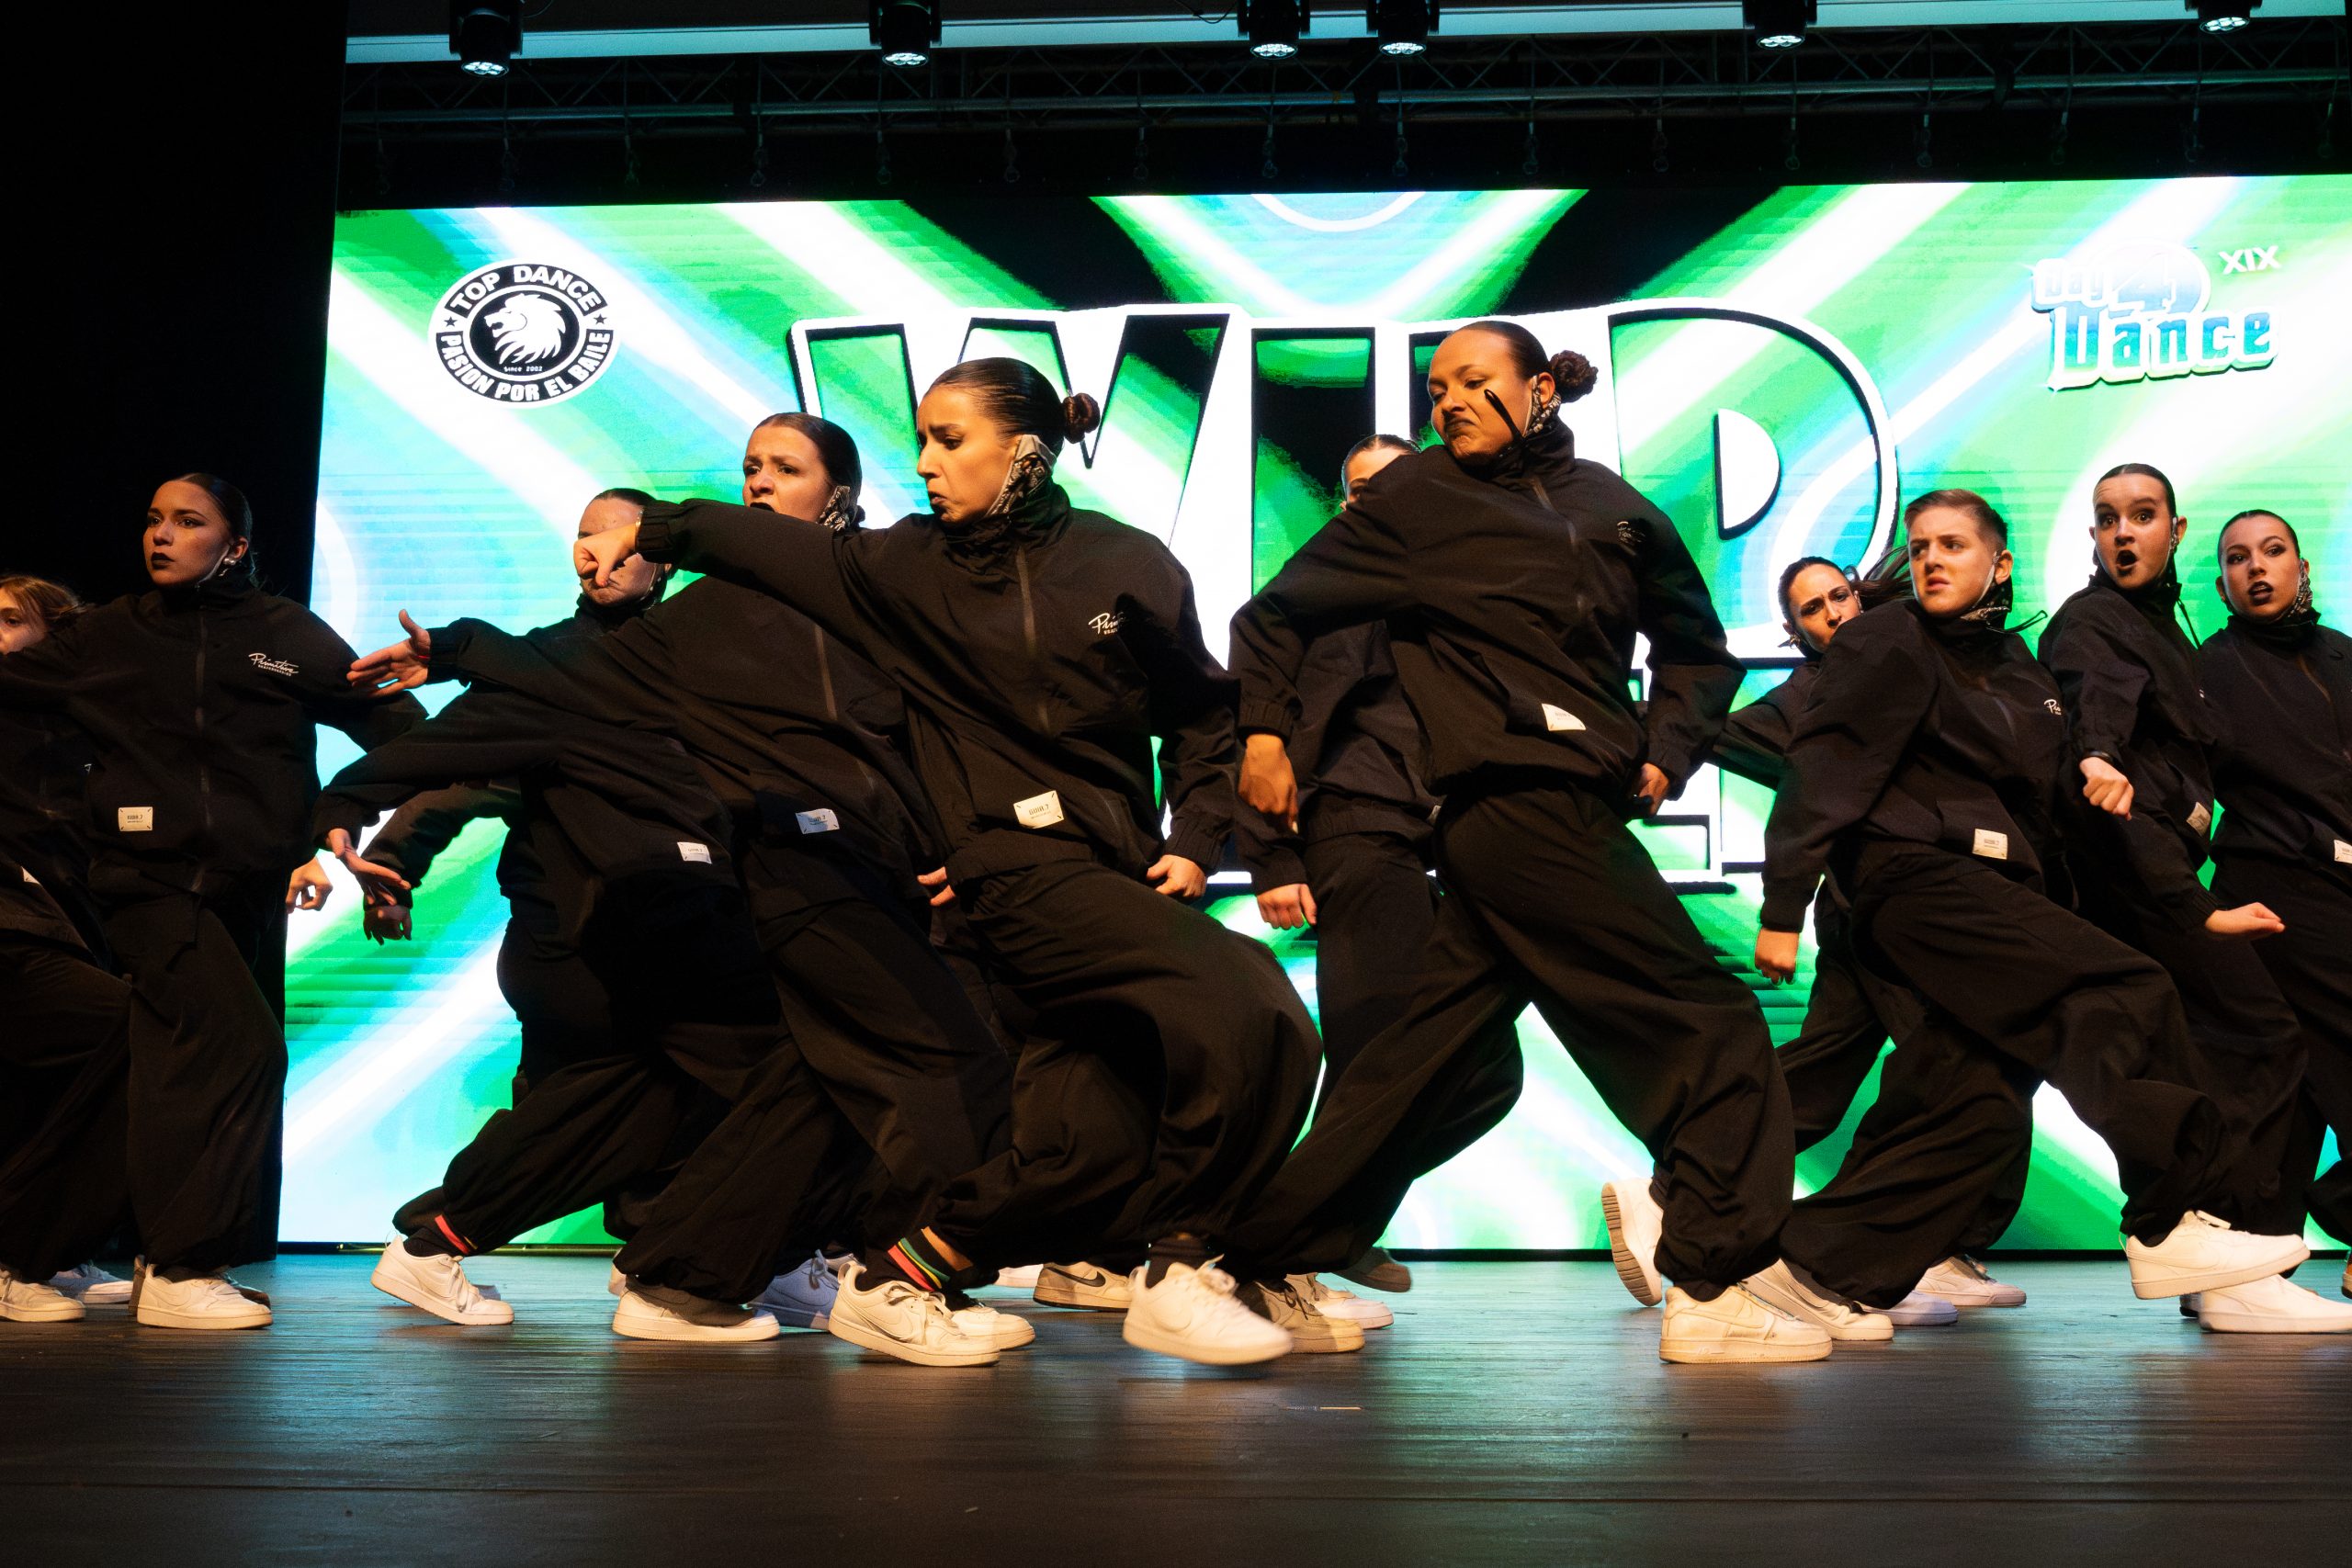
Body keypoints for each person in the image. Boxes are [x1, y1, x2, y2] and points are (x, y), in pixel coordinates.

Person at [572, 358, 1327, 1367]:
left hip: (1113, 869)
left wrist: (1193, 840)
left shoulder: (1126, 562)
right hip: (1009, 870)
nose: (925, 461)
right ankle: (1184, 1265)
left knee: (1084, 1139)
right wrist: (655, 529)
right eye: (921, 439)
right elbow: (761, 545)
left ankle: (902, 1275)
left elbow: (1198, 713)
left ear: (1025, 451)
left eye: (949, 439)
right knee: (1254, 1004)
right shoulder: (901, 568)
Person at [1220, 319, 1826, 1365]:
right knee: (1708, 1024)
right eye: (1436, 388)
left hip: (1558, 809)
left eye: (1472, 381)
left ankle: (1242, 1259)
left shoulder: (1615, 511)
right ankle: (1713, 1281)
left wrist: (1665, 752)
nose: (1448, 401)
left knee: (1419, 1068)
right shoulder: (1416, 499)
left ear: (1539, 388)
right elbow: (1274, 616)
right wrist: (1266, 734)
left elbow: (1696, 650)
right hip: (1513, 806)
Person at [355, 417, 1022, 1356]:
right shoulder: (694, 622)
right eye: (751, 468)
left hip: (777, 897)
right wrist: (389, 770)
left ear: (840, 494)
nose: (759, 483)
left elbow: (920, 738)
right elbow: (494, 735)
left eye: (783, 468)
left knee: (716, 1089)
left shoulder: (870, 593)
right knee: (786, 1080)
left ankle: (713, 1261)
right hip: (643, 918)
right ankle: (742, 1266)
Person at [1757, 487, 2314, 1324]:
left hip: (1994, 889)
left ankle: (1804, 1269)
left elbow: (2060, 805)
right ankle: (2168, 1220)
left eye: (1952, 544)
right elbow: (1825, 768)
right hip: (1916, 879)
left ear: (2000, 562)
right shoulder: (1889, 635)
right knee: (2125, 990)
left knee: (1978, 1102)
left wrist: (2173, 886)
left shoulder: (2018, 669)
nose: (1932, 560)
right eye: (1920, 547)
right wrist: (1782, 906)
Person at [0, 477, 424, 1328]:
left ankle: (23, 1251)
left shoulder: (284, 633)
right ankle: (181, 1266)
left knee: (155, 1062)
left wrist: (350, 828)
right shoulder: (109, 634)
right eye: (153, 519)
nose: (160, 534)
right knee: (241, 1048)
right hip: (149, 885)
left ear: (234, 545)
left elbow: (404, 735)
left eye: (187, 521)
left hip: (247, 894)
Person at [2039, 464, 2338, 1329]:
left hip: (2160, 874)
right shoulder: (2098, 621)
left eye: (2141, 515)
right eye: (2107, 519)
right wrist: (2100, 758)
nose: (2123, 532)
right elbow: (2100, 703)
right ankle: (2225, 1258)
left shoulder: (2163, 628)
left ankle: (2229, 1259)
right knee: (2259, 1035)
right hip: (2139, 879)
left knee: (2226, 1049)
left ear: (2173, 530)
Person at [1703, 558, 2029, 1322]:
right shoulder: (1803, 700)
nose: (1833, 613)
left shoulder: (1911, 652)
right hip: (1875, 909)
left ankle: (1693, 1187)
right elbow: (1718, 738)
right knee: (1957, 1075)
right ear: (1795, 632)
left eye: (1839, 595)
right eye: (1812, 609)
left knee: (1832, 1069)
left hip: (1910, 904)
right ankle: (1899, 1248)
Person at [1233, 432, 1438, 1324]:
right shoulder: (1326, 602)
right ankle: (1281, 1253)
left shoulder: (1434, 595)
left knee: (1456, 1066)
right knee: (1370, 1052)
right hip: (1355, 836)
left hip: (1419, 849)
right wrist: (1274, 858)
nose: (1375, 501)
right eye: (1360, 489)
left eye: (1396, 485)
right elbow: (1263, 732)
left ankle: (1324, 1227)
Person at [2197, 509, 2352, 1319]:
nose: (2256, 567)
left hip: (2342, 888)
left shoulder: (2344, 656)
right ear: (2222, 583)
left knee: (2292, 1078)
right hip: (2274, 885)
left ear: (2301, 565)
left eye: (2271, 551)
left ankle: (2249, 1253)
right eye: (2237, 558)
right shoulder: (2210, 668)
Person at [0, 576, 137, 1321]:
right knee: (131, 1027)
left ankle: (50, 1248)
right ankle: (16, 1251)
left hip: (73, 929)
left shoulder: (80, 723)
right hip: (14, 931)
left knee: (50, 1084)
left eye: (8, 620)